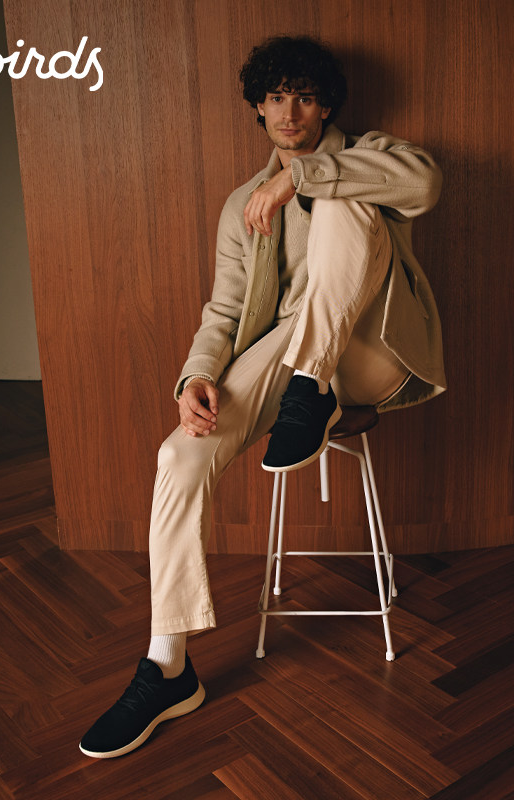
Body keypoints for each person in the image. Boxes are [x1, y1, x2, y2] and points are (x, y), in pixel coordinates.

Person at [79, 34, 446, 759]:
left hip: (367, 354)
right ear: (259, 106)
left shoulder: (367, 154)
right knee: (179, 456)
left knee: (339, 201)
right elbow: (223, 312)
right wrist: (196, 377)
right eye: (276, 97)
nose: (289, 111)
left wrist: (305, 177)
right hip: (285, 353)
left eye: (304, 97)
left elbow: (426, 186)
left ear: (325, 105)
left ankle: (315, 389)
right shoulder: (240, 206)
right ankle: (166, 667)